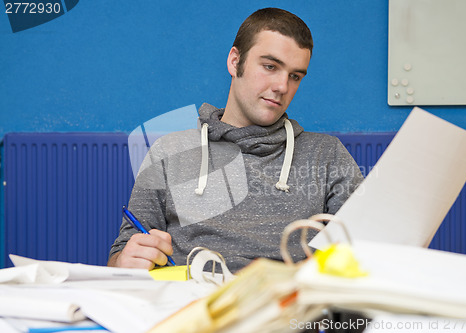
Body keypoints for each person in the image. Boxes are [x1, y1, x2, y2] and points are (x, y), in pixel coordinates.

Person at [108, 7, 363, 271]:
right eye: (270, 66)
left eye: (295, 76)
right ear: (234, 61)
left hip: (289, 303)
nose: (282, 87)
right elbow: (120, 258)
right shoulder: (169, 151)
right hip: (193, 301)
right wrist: (127, 260)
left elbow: (369, 251)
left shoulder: (327, 154)